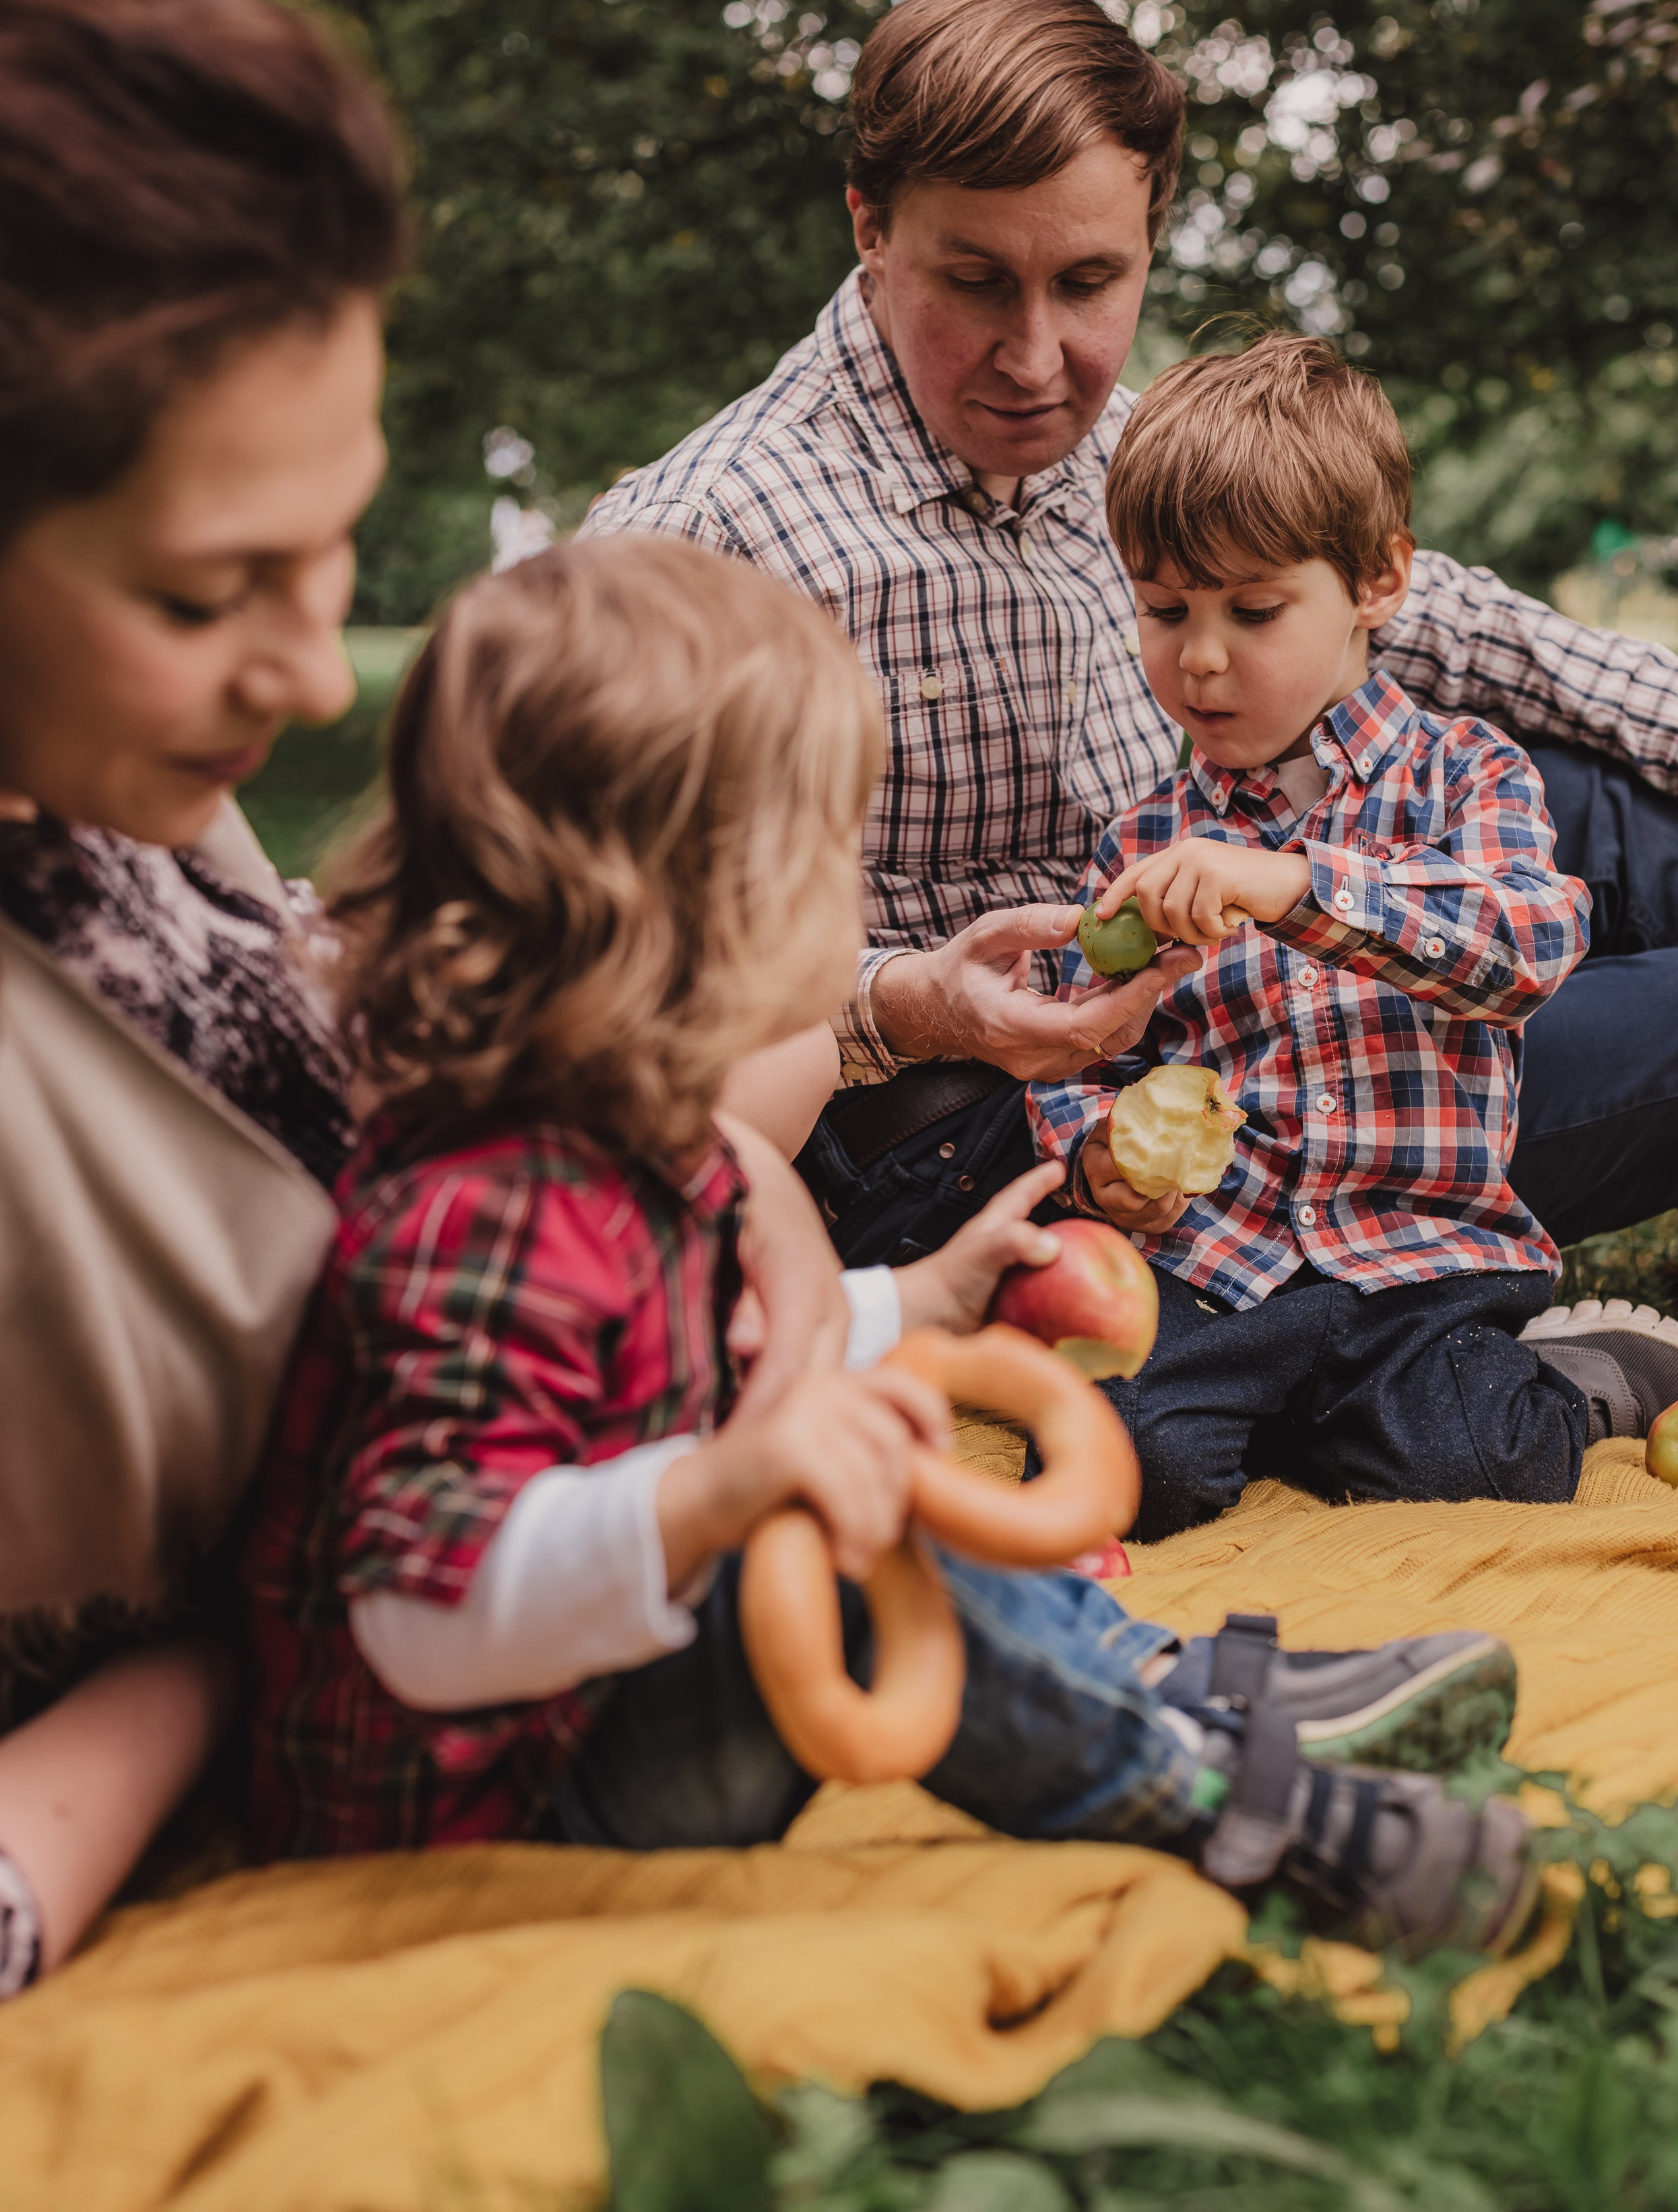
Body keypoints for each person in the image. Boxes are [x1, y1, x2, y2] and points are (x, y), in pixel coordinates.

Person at [243, 535, 1537, 1958]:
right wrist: (719, 1496)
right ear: (673, 903)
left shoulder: (624, 1137)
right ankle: (1220, 1803)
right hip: (509, 1795)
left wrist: (923, 1299)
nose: (858, 895)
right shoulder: (481, 1208)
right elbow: (418, 1614)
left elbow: (674, 1362)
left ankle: (1158, 1691)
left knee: (845, 1466)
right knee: (832, 1534)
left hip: (604, 1699)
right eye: (824, 850)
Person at [0, 0, 843, 1994]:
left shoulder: (86, 766)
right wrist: (196, 1693)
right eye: (212, 594)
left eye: (334, 554)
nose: (307, 676)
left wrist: (762, 1207)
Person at [580, 0, 1678, 1324]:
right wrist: (908, 1003)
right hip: (1014, 1131)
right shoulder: (697, 548)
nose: (1036, 355)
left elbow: (1469, 629)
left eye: (1088, 282)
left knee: (1593, 782)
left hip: (1245, 962)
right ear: (868, 227)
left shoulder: (1125, 452)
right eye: (974, 281)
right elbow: (607, 979)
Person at [1023, 334, 1678, 1542]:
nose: (1198, 656)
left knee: (1484, 1463)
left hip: (1413, 1251)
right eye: (1162, 610)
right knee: (1133, 1473)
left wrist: (1294, 887)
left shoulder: (1466, 775)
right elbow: (1086, 1053)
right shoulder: (1144, 840)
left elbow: (1521, 948)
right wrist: (1100, 1164)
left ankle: (1602, 1371)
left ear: (1378, 582)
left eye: (1253, 611)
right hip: (1224, 1262)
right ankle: (1320, 1414)